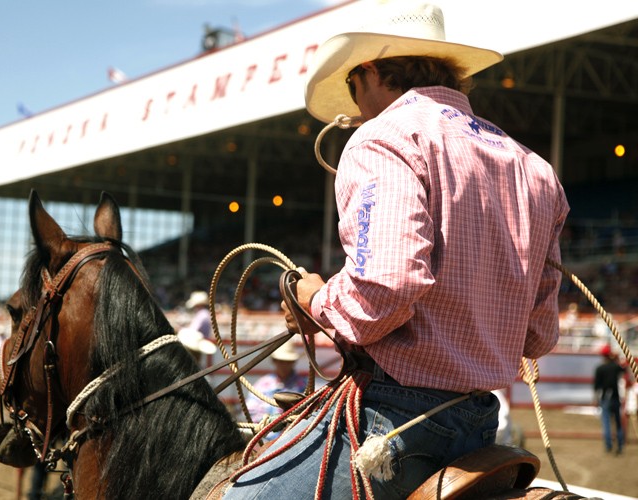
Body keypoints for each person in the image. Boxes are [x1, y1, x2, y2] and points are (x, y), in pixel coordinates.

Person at [225, 2, 569, 498]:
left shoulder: (383, 138)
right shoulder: (533, 169)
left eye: (351, 88)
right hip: (478, 424)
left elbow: (386, 286)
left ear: (368, 72)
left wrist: (316, 302)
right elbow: (537, 335)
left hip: (395, 421)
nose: (357, 106)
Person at [246, 340, 308, 430]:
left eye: (288, 362)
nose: (284, 365)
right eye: (281, 361)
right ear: (274, 361)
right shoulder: (263, 384)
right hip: (267, 434)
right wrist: (269, 421)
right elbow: (252, 408)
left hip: (296, 433)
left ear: (293, 362)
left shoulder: (303, 385)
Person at [594, 344, 626, 454]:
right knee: (617, 422)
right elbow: (624, 370)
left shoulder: (600, 368)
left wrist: (595, 400)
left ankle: (608, 445)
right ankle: (620, 445)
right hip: (615, 397)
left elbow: (596, 386)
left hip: (605, 398)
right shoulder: (615, 367)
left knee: (606, 422)